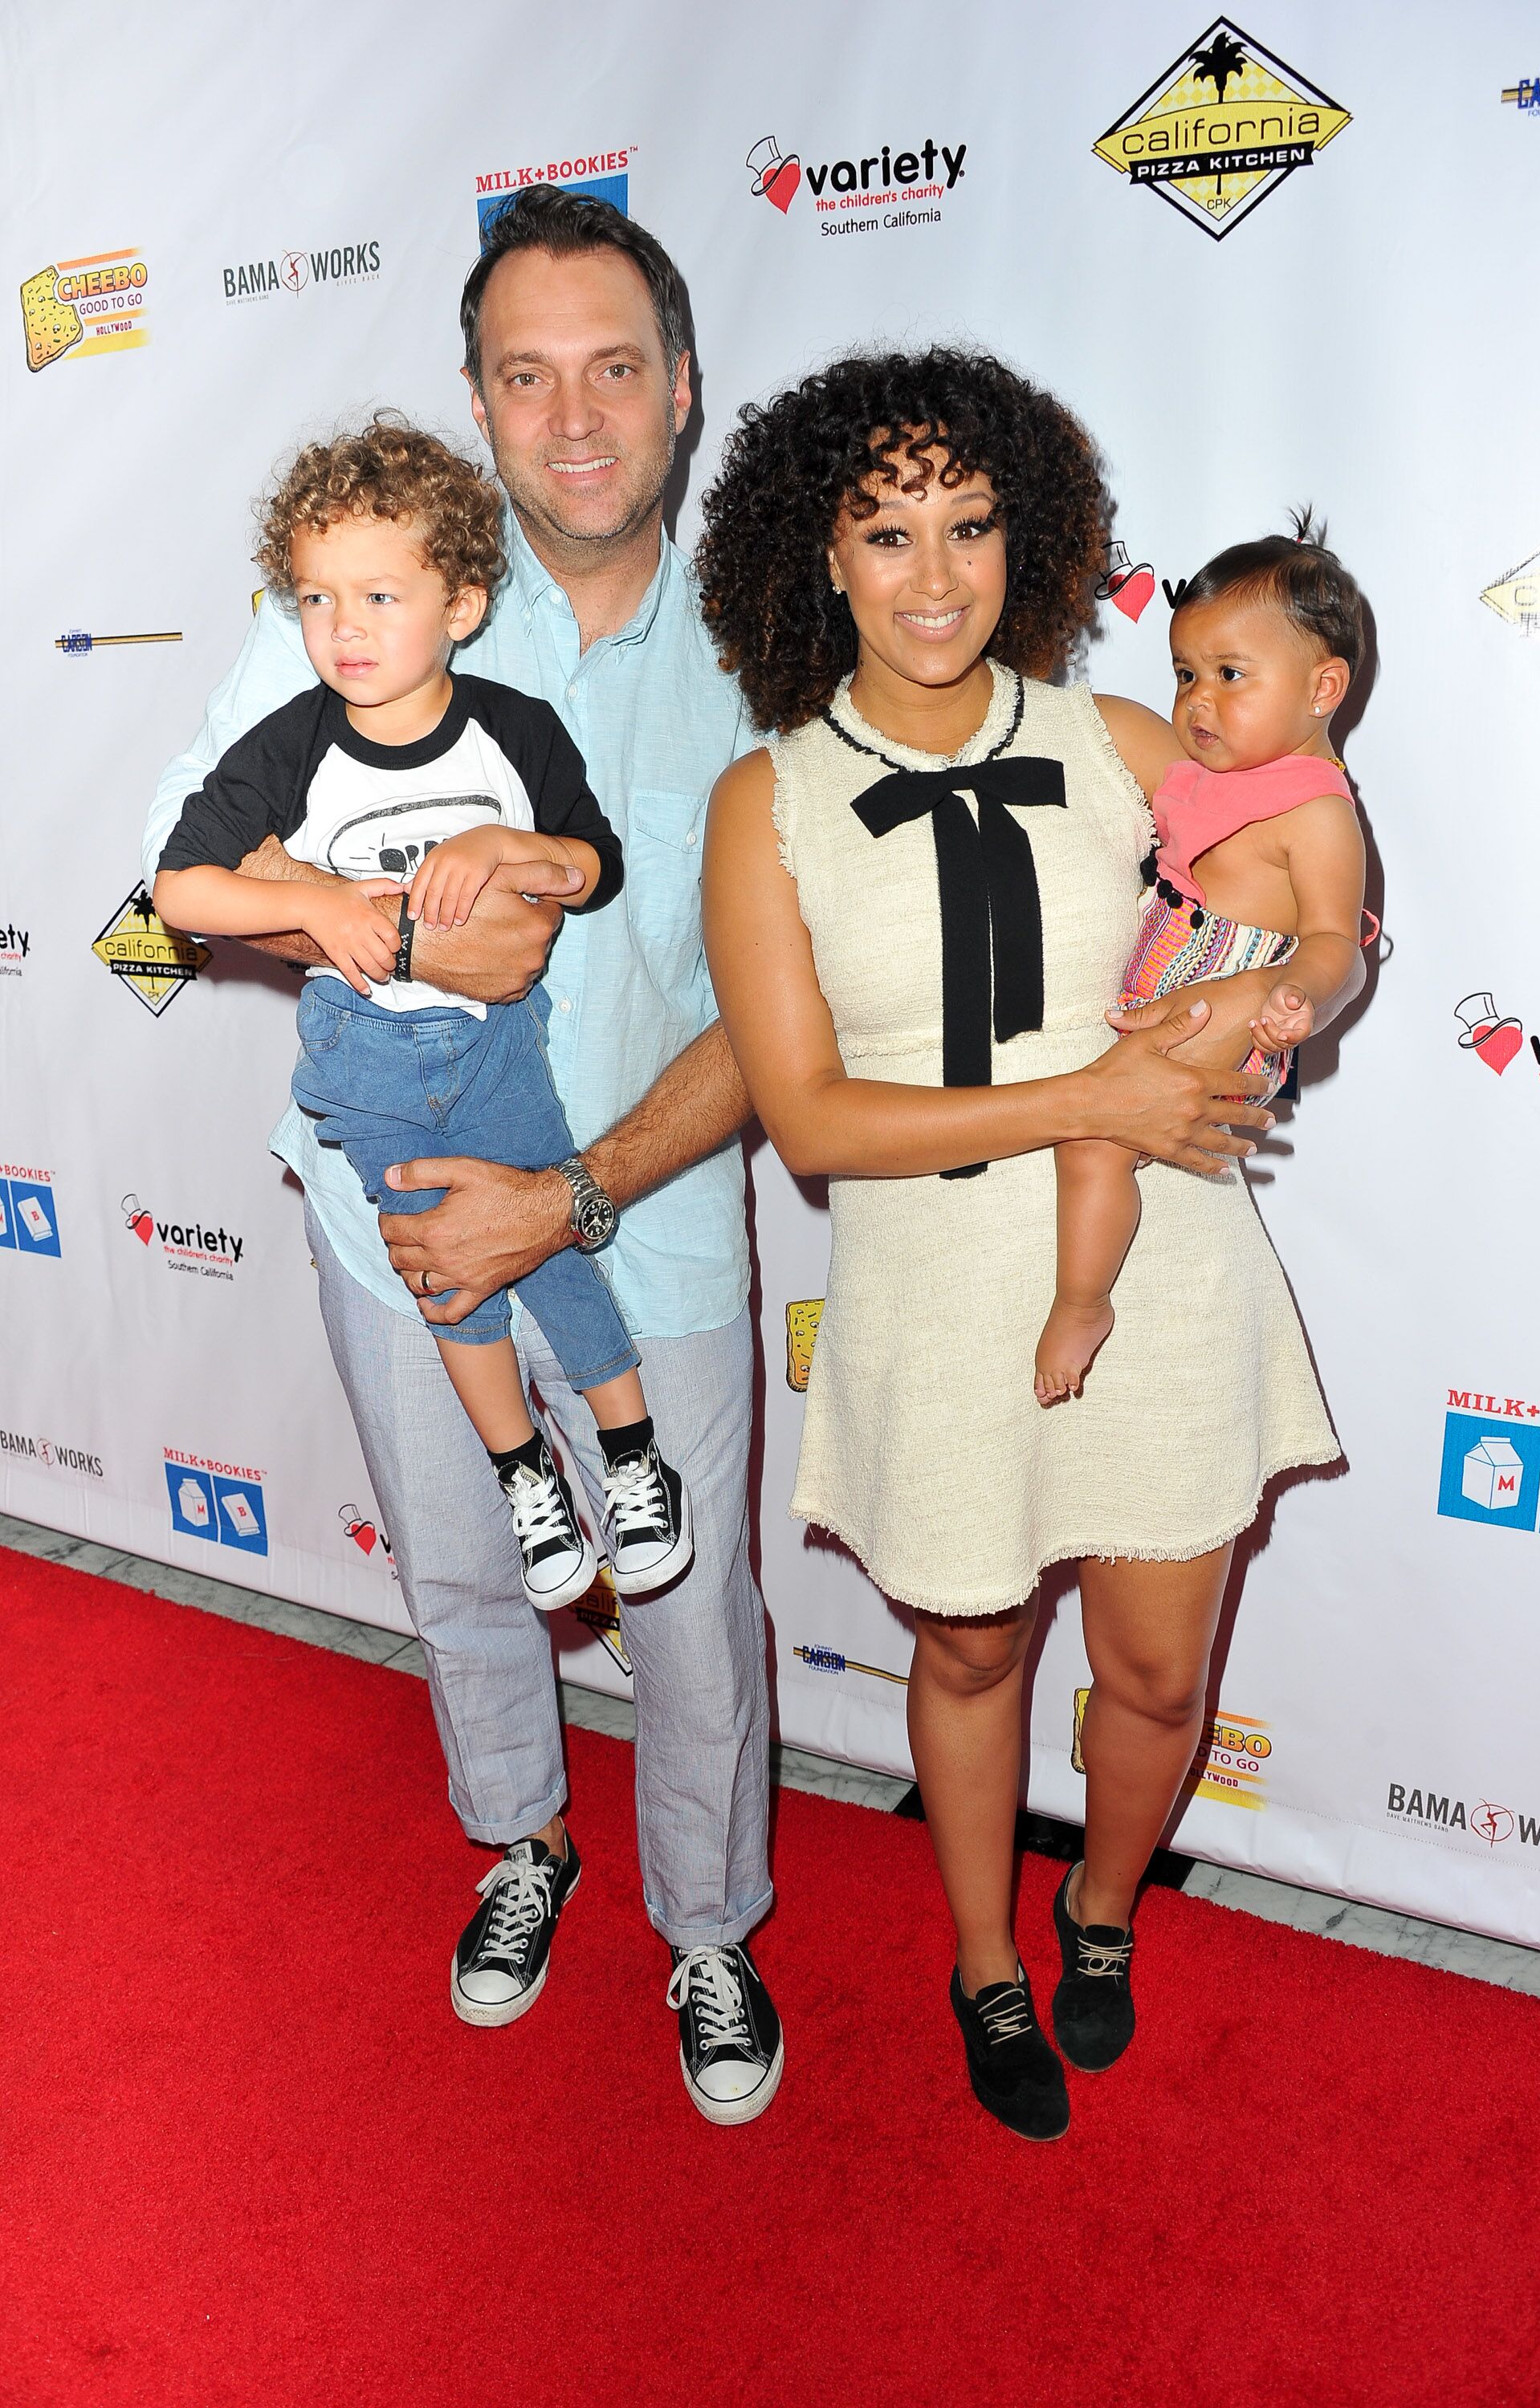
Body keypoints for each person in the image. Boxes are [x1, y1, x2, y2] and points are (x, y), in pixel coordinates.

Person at [142, 190, 781, 2125]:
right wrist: (406, 933)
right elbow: (177, 898)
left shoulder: (771, 648)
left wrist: (570, 1192)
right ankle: (522, 1838)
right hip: (392, 1217)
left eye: (612, 369)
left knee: (685, 1612)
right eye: (526, 374)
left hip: (637, 1228)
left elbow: (789, 1018)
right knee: (462, 1565)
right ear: (478, 402)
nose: (572, 416)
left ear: (682, 387)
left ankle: (711, 1926)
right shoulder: (358, 593)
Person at [698, 351, 1353, 2142]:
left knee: (1153, 1671)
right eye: (884, 530)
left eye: (969, 526)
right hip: (935, 1292)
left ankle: (1098, 1914)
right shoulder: (764, 805)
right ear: (817, 556)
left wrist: (1300, 984)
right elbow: (815, 1123)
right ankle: (983, 1957)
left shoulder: (1119, 739)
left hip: (1167, 1270)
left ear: (1026, 539)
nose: (931, 574)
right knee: (973, 1652)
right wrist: (1094, 1107)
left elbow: (1308, 896)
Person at [152, 420, 695, 1612]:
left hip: (501, 1049)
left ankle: (632, 1455)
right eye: (315, 598)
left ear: (460, 602)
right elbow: (178, 887)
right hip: (369, 1065)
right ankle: (525, 1478)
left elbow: (594, 868)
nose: (342, 629)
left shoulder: (516, 730)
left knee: (550, 1245)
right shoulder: (290, 743)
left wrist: (513, 844)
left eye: (380, 595)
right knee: (446, 1276)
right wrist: (323, 908)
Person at [1034, 514, 1367, 1401]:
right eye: (1185, 674)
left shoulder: (1316, 812)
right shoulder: (1200, 772)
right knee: (1082, 1117)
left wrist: (1303, 993)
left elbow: (1339, 941)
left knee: (1094, 1136)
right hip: (1167, 967)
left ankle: (1081, 1302)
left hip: (1235, 988)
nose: (1197, 701)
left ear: (1321, 686)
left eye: (1230, 676)